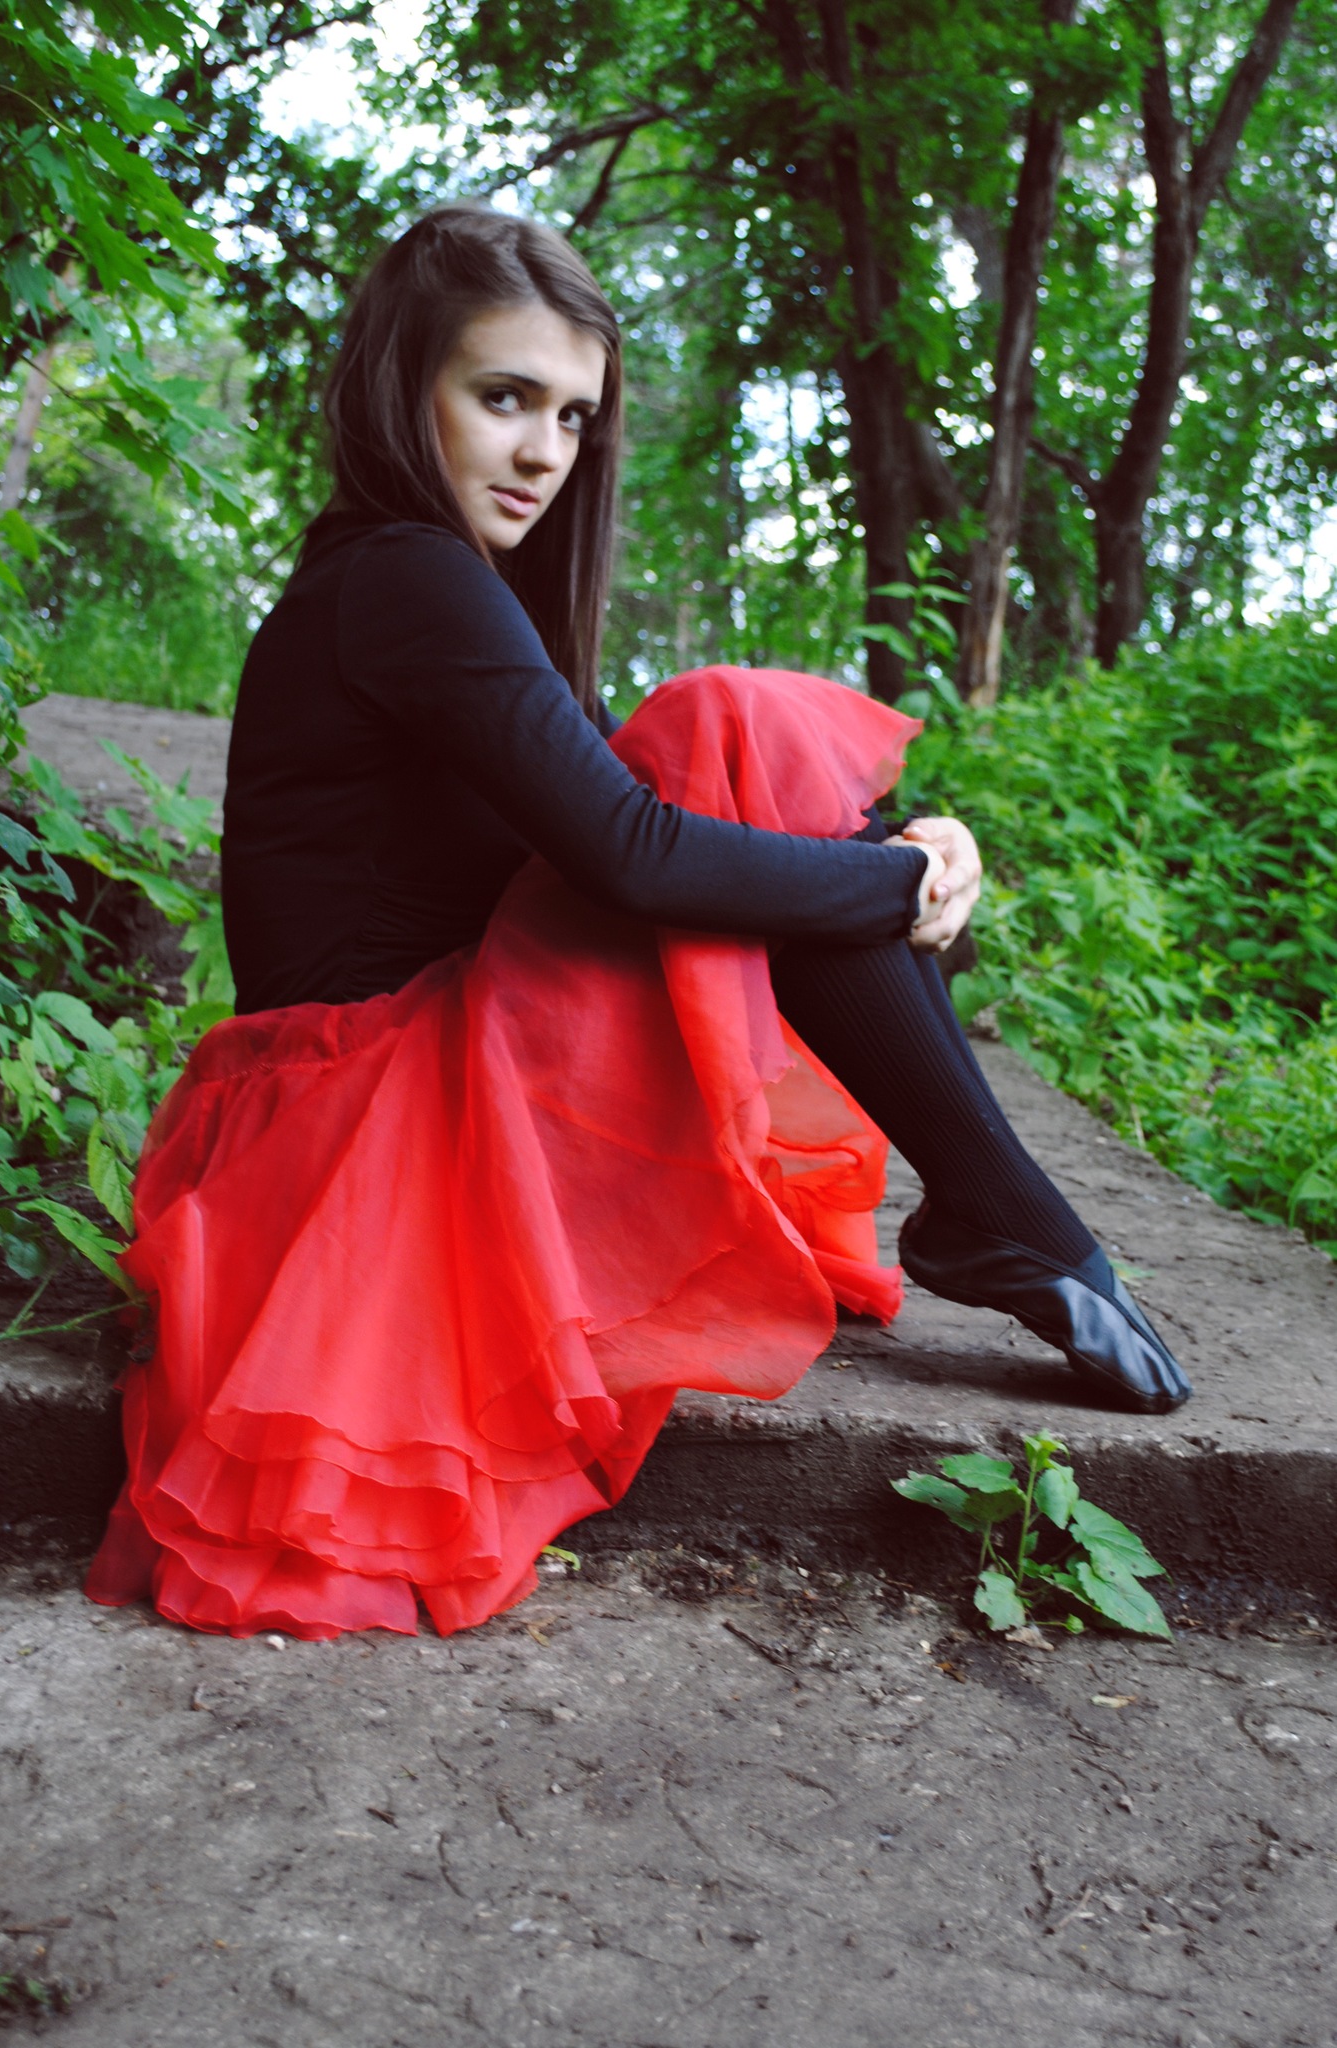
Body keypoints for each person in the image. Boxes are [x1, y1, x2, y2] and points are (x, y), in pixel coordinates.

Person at [85, 205, 1190, 1642]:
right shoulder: (404, 574)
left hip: (403, 1095)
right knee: (733, 724)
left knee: (736, 763)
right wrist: (894, 885)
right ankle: (1005, 1216)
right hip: (371, 1132)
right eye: (504, 398)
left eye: (573, 417)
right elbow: (636, 855)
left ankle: (1001, 1216)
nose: (545, 451)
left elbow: (658, 831)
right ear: (402, 386)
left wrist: (916, 850)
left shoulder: (445, 587)